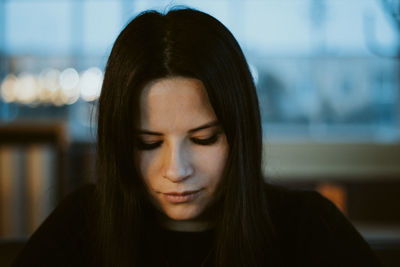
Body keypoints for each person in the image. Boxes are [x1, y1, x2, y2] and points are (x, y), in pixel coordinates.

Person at [13, 8, 381, 267]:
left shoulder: (308, 229)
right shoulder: (79, 228)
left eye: (204, 139)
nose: (176, 169)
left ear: (240, 134)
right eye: (148, 143)